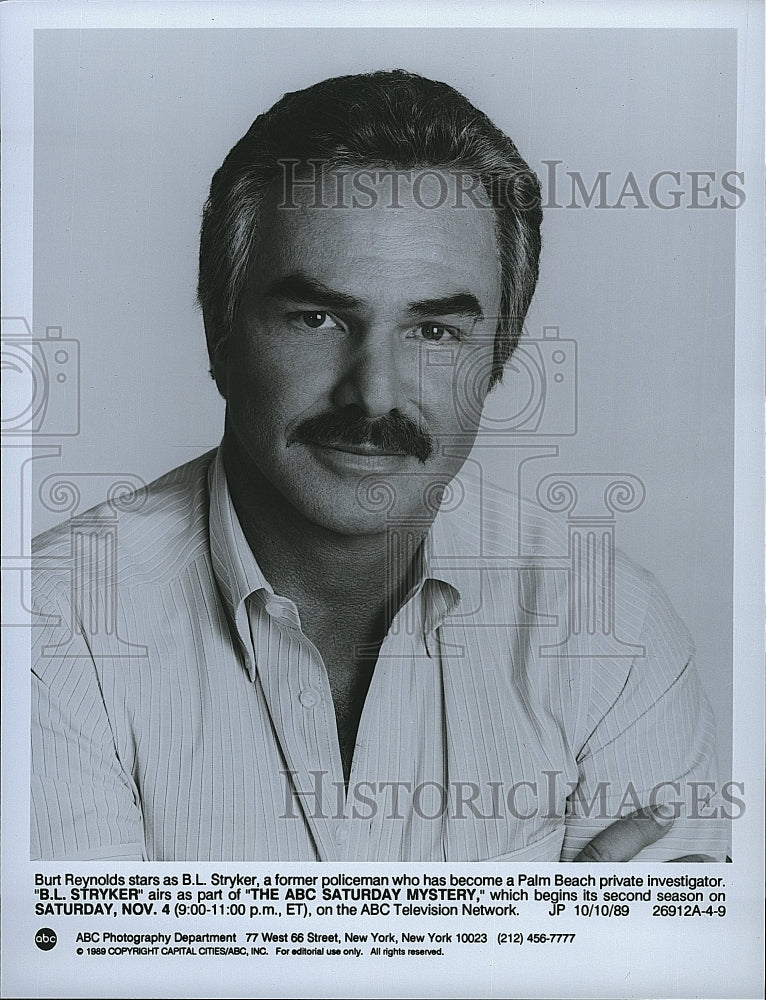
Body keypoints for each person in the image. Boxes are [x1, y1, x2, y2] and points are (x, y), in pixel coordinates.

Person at [31, 70, 728, 862]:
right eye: (318, 317)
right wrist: (543, 942)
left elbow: (669, 971)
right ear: (220, 337)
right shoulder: (53, 634)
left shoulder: (610, 628)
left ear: (497, 359)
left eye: (435, 333)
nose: (374, 393)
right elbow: (75, 973)